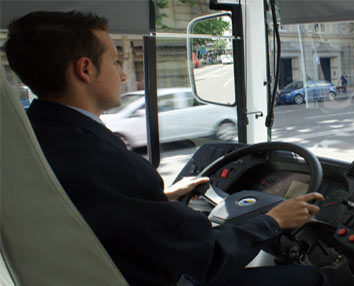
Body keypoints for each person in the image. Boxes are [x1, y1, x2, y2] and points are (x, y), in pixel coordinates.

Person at [3, 11, 326, 286]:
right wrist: (274, 219)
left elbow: (96, 207)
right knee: (311, 278)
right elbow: (208, 255)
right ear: (85, 69)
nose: (123, 73)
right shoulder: (104, 160)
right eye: (115, 61)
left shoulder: (36, 136)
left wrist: (162, 197)